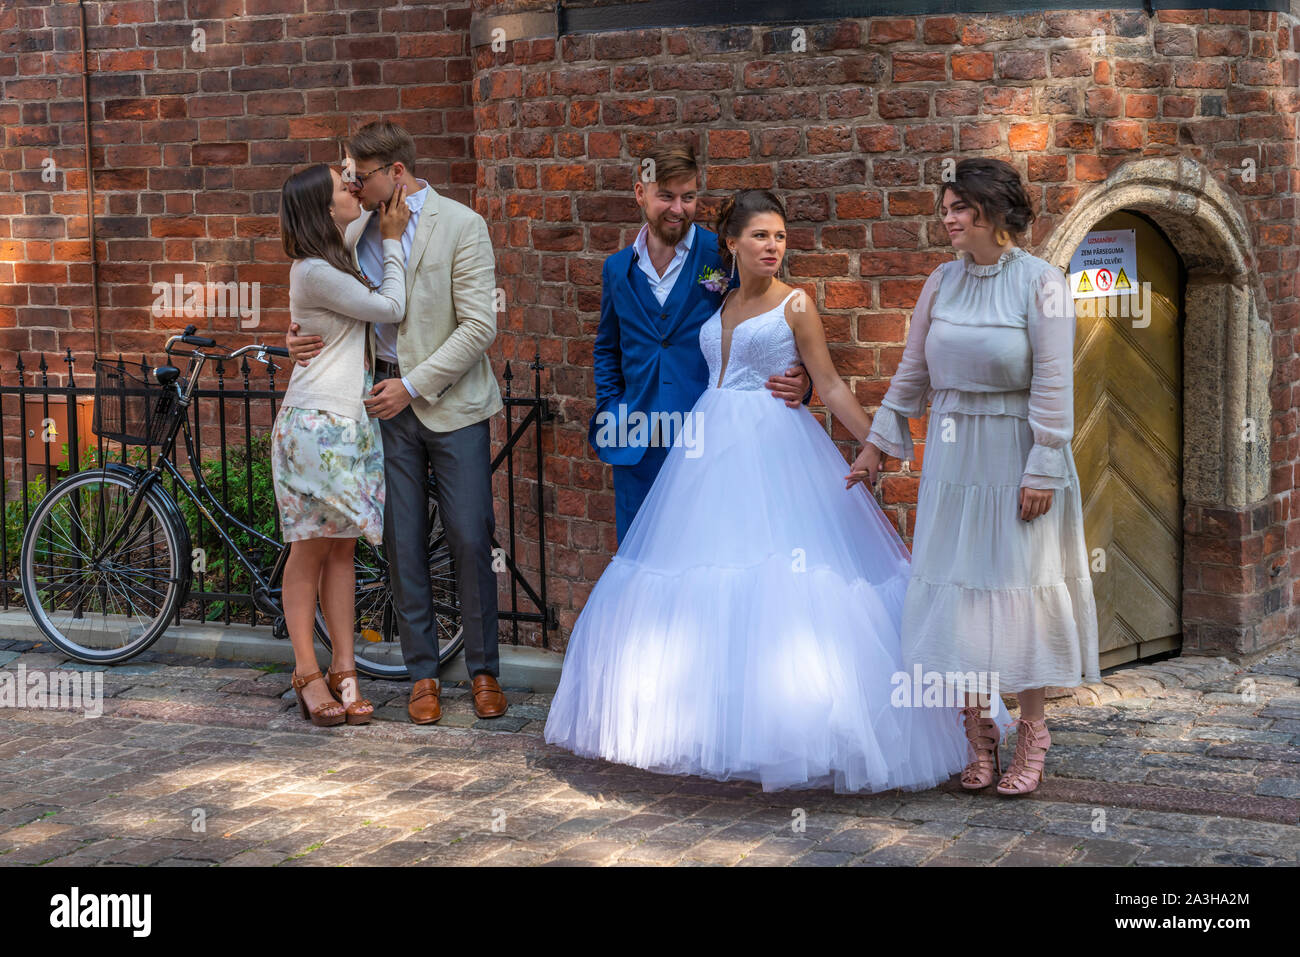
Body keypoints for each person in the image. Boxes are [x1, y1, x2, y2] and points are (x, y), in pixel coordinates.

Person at [545, 189, 971, 793]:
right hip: (707, 449)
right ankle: (707, 725)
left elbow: (829, 383)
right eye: (760, 237)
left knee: (782, 582)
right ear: (732, 244)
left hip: (775, 446)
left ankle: (804, 733)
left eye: (779, 237)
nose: (773, 247)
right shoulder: (714, 299)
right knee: (703, 579)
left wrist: (877, 444)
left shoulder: (796, 304)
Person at [849, 157, 1101, 796]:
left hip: (1018, 453)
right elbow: (912, 372)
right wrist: (878, 444)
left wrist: (1042, 465)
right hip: (954, 457)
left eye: (959, 208)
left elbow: (1052, 382)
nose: (948, 218)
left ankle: (1033, 730)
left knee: (1020, 591)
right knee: (961, 591)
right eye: (947, 207)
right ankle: (978, 731)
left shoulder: (1042, 283)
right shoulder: (940, 282)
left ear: (992, 214)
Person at [287, 121, 507, 725]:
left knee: (468, 535)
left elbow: (479, 327)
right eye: (348, 178)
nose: (352, 186)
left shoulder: (462, 225)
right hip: (378, 404)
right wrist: (293, 337)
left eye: (360, 176)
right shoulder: (354, 232)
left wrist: (412, 387)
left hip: (448, 403)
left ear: (397, 174)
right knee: (402, 543)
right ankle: (422, 674)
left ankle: (484, 669)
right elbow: (319, 292)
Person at [590, 144, 811, 543]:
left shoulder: (721, 254)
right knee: (640, 564)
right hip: (637, 440)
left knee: (705, 558)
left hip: (711, 441)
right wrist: (612, 408)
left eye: (688, 197)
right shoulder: (617, 269)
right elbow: (607, 348)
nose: (678, 208)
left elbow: (767, 318)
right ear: (641, 193)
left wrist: (802, 381)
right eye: (666, 196)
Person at [273, 162, 410, 726]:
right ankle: (307, 670)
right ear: (323, 210)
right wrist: (396, 243)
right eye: (342, 188)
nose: (353, 190)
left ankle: (345, 668)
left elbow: (356, 212)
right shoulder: (315, 271)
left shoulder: (334, 254)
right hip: (314, 425)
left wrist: (355, 173)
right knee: (310, 545)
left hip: (348, 424)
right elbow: (390, 309)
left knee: (344, 548)